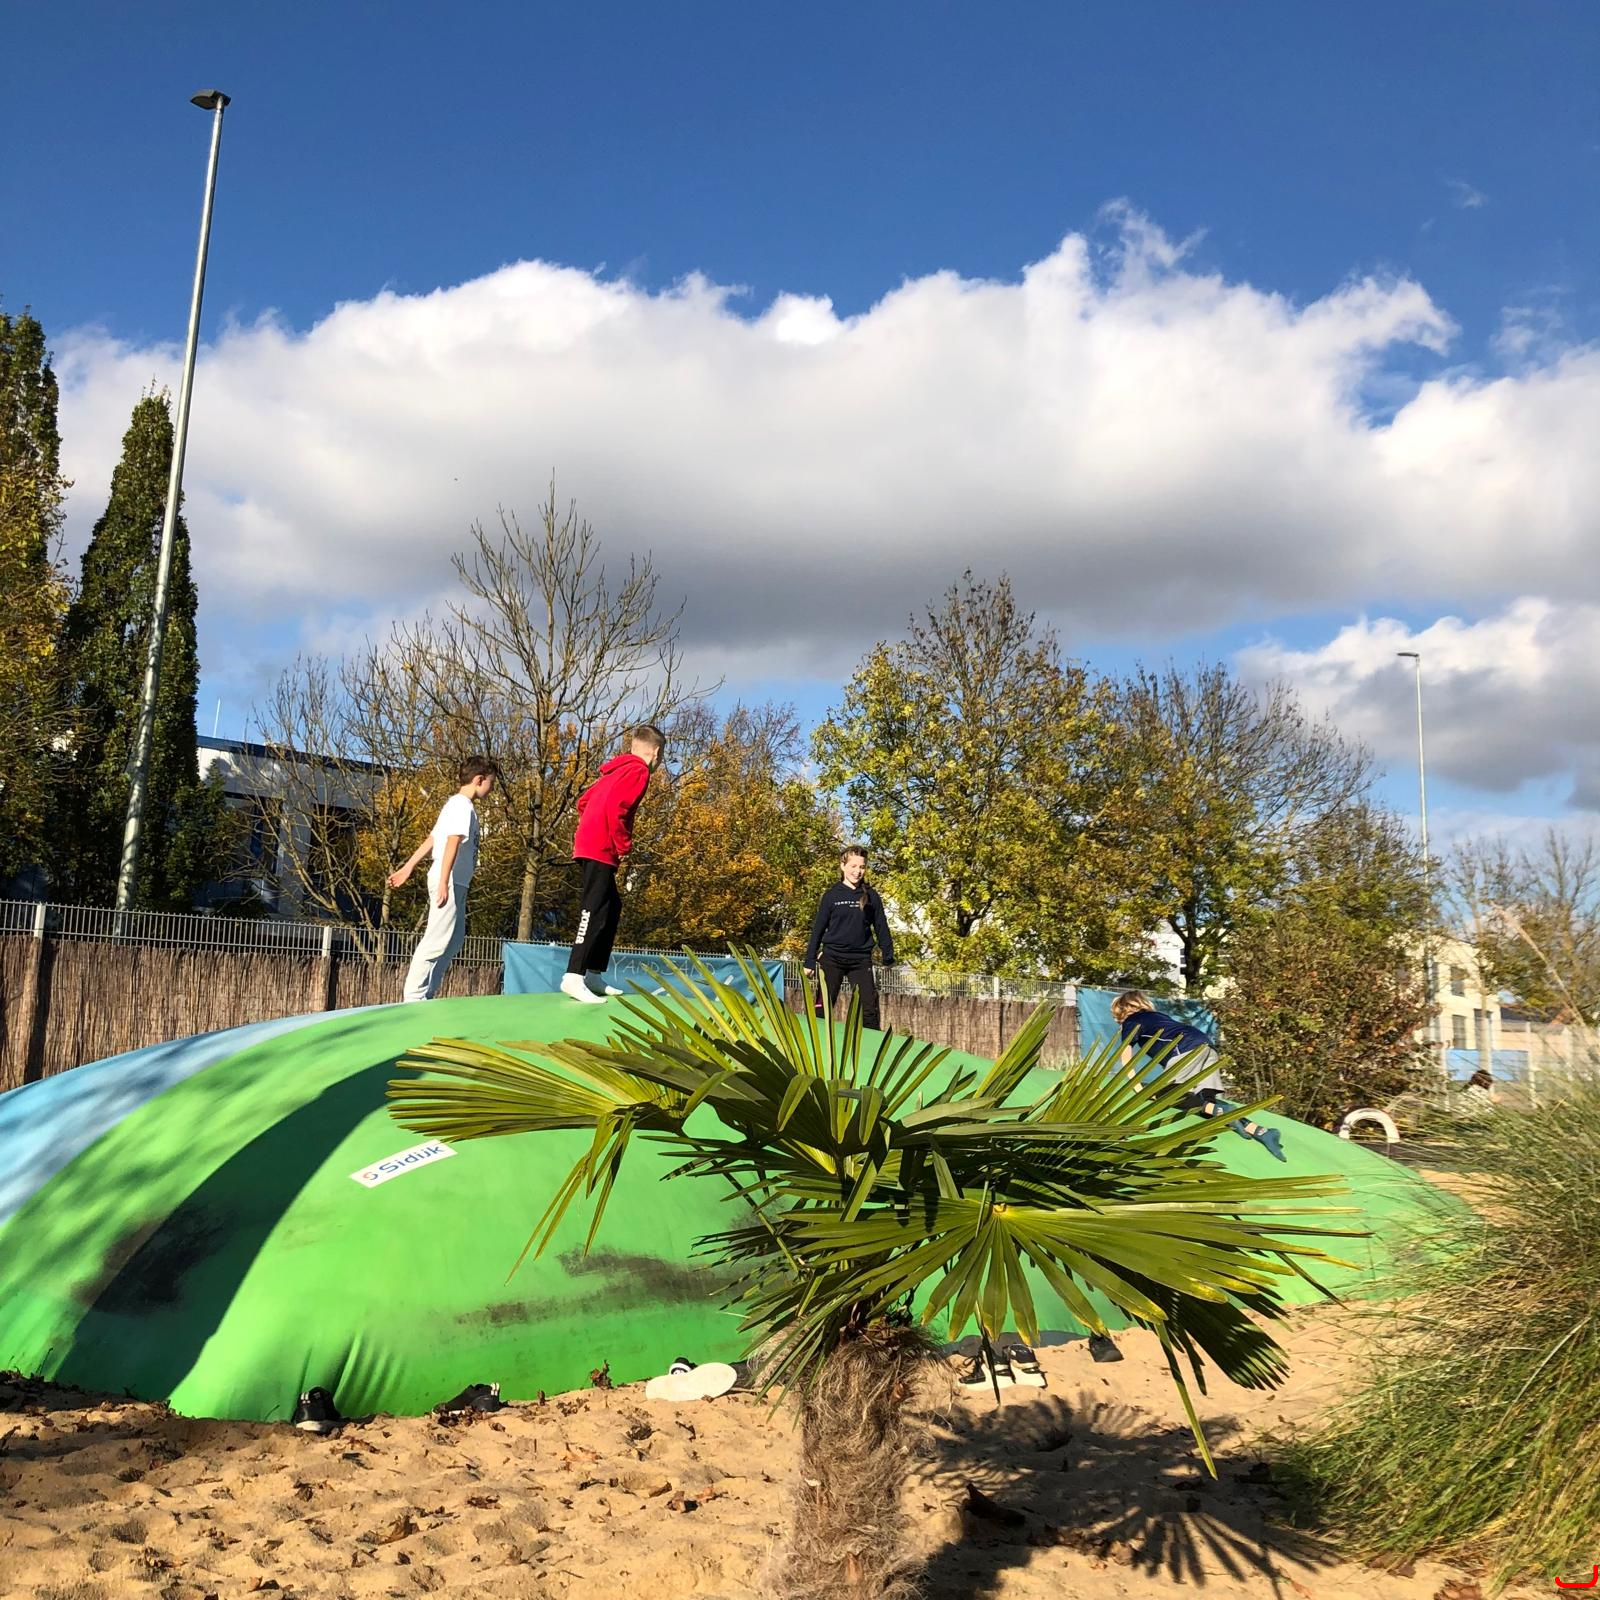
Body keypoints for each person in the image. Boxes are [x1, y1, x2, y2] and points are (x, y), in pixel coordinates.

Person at [1109, 990, 1285, 1162]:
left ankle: (1225, 1111)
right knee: (1204, 1103)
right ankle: (1261, 1131)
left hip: (1185, 1050)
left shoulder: (1132, 1020)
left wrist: (1138, 1089)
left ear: (1122, 1010)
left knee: (1166, 1095)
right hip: (1206, 1046)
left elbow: (1126, 1059)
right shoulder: (1159, 1017)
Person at [560, 724, 666, 1003]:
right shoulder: (640, 771)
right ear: (656, 752)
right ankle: (573, 975)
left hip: (590, 841)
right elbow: (616, 807)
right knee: (593, 908)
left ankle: (594, 973)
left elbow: (584, 802)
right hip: (600, 846)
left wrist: (591, 826)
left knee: (611, 906)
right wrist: (623, 843)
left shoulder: (616, 770)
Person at [389, 756, 501, 1003]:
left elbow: (433, 839)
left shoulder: (455, 804)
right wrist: (443, 882)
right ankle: (414, 996)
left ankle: (427, 992)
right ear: (479, 780)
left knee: (454, 939)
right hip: (448, 881)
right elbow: (451, 841)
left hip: (457, 882)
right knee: (437, 939)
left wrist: (408, 867)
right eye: (491, 783)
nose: (492, 789)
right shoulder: (462, 806)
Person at [803, 845, 896, 1030]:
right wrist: (809, 961)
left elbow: (881, 927)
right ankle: (817, 1042)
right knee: (822, 1008)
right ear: (843, 866)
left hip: (860, 961)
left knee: (869, 1010)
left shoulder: (871, 896)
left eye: (862, 867)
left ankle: (871, 1045)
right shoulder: (831, 896)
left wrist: (888, 956)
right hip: (832, 958)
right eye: (853, 866)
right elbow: (818, 930)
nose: (857, 871)